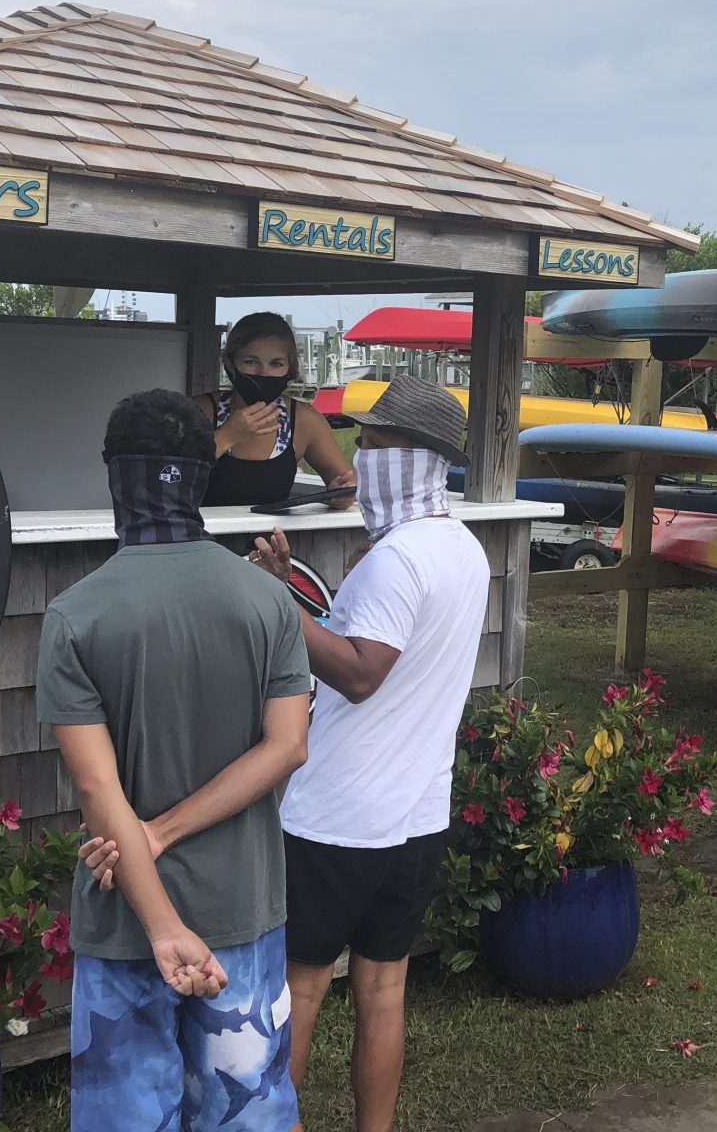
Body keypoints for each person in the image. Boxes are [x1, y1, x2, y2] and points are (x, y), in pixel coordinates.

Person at [39, 389, 312, 1129]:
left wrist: (160, 919)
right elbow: (288, 745)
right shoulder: (266, 601)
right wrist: (166, 833)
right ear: (204, 474)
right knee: (246, 1113)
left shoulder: (75, 615)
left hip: (123, 914)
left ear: (113, 477)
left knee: (126, 1116)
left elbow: (99, 789)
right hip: (242, 905)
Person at [253, 376, 490, 1130]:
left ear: (411, 456)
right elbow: (387, 652)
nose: (360, 453)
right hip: (419, 811)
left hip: (337, 815)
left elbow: (359, 673)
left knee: (303, 988)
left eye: (375, 441)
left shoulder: (399, 559)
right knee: (385, 989)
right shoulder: (461, 549)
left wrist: (275, 600)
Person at [200, 311, 355, 507]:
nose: (263, 373)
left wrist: (341, 494)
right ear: (230, 364)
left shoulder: (304, 420)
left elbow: (348, 483)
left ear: (290, 369)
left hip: (274, 536)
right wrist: (225, 437)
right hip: (200, 536)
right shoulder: (198, 412)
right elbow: (163, 476)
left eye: (276, 364)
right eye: (250, 361)